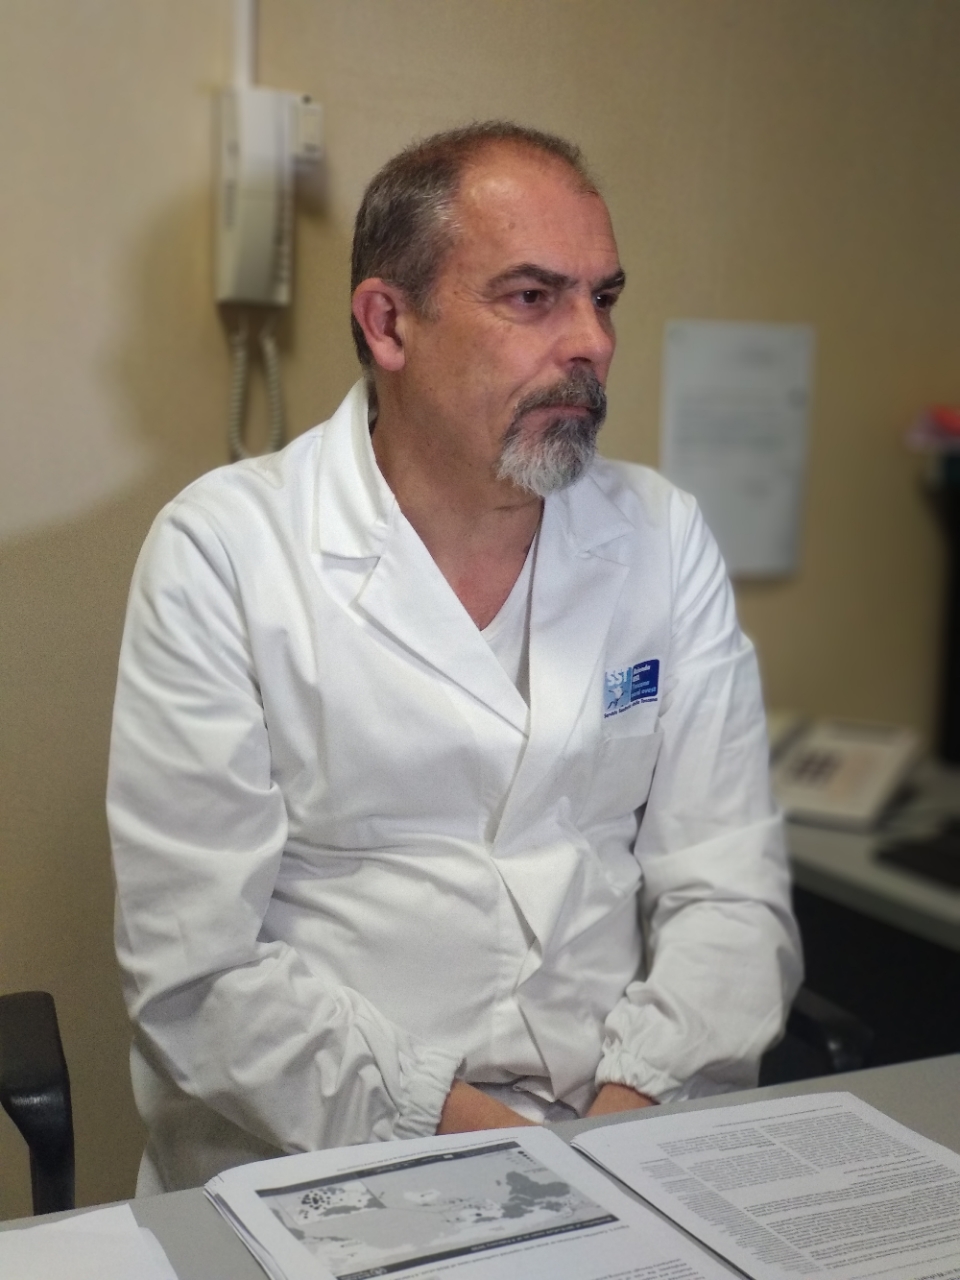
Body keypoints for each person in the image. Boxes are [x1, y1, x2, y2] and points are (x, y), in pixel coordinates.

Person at [108, 121, 801, 1194]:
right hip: (326, 1160)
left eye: (604, 297)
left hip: (624, 1133)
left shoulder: (661, 537)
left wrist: (620, 1130)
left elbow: (729, 894)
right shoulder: (225, 552)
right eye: (533, 297)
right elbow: (197, 973)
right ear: (388, 323)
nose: (592, 341)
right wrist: (511, 1154)